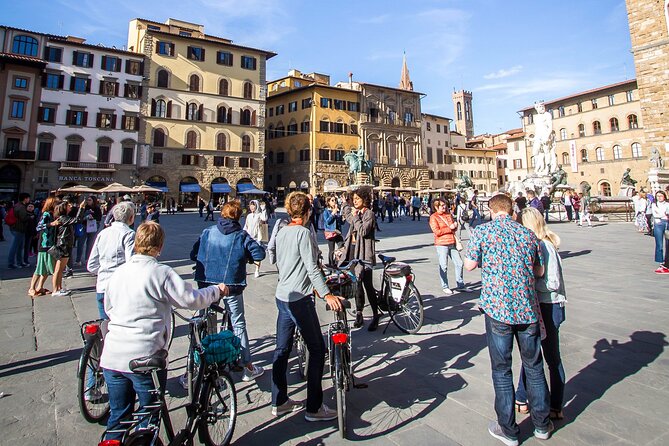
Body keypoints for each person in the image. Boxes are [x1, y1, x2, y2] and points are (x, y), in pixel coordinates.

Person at [100, 222, 229, 441]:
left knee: (118, 418)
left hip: (111, 357)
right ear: (159, 247)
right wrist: (216, 290)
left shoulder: (118, 272)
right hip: (145, 357)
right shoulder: (161, 272)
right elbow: (191, 300)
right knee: (149, 418)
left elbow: (108, 308)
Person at [464, 193, 552, 445]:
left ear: (491, 211)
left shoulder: (482, 232)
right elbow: (540, 270)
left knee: (502, 370)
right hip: (527, 308)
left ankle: (509, 430)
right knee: (534, 367)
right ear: (512, 211)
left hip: (498, 308)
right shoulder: (528, 234)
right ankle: (542, 426)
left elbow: (469, 265)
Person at [271, 191, 343, 422]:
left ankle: (279, 401)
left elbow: (280, 261)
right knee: (317, 349)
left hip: (282, 295)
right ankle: (314, 407)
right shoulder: (302, 233)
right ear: (308, 212)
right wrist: (327, 294)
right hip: (299, 300)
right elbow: (311, 267)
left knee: (282, 350)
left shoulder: (282, 231)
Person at [191, 200, 266, 381]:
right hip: (231, 285)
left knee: (204, 321)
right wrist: (245, 257)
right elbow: (259, 254)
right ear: (238, 216)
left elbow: (193, 254)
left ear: (222, 214)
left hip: (206, 284)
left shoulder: (207, 232)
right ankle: (246, 366)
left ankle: (199, 365)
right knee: (238, 322)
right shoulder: (241, 235)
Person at [516, 207, 567, 421]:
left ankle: (555, 405)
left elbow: (553, 283)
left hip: (549, 306)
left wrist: (529, 282)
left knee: (551, 358)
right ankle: (521, 397)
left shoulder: (545, 246)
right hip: (540, 305)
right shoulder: (538, 244)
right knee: (532, 353)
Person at [87, 202, 136, 319]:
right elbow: (131, 263)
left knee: (105, 326)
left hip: (102, 286)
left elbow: (91, 265)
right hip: (119, 289)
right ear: (131, 218)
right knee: (121, 326)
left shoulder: (102, 233)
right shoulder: (129, 234)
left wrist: (105, 270)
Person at [343, 187, 379, 330]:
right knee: (357, 285)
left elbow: (363, 230)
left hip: (364, 254)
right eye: (354, 199)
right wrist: (345, 202)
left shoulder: (369, 214)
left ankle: (375, 315)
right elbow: (347, 216)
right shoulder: (355, 212)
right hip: (353, 251)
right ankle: (359, 313)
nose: (355, 201)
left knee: (368, 286)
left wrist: (356, 216)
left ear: (365, 199)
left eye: (357, 198)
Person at [429, 198, 467, 295]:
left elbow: (453, 228)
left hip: (452, 242)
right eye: (442, 205)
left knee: (459, 263)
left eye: (445, 205)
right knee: (443, 266)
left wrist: (455, 225)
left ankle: (460, 284)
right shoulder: (434, 217)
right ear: (436, 207)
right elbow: (437, 232)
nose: (444, 207)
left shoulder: (448, 215)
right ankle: (445, 286)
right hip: (441, 244)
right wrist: (449, 228)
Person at [51, 199, 86, 297]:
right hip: (63, 245)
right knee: (58, 269)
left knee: (60, 269)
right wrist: (81, 208)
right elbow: (78, 220)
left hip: (65, 244)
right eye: (68, 206)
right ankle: (55, 289)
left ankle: (59, 288)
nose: (70, 207)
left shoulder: (63, 218)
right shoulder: (63, 218)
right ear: (63, 208)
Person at [28, 197, 60, 297]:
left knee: (47, 268)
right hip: (44, 245)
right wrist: (51, 224)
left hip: (52, 245)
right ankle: (32, 288)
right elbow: (39, 226)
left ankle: (40, 287)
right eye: (56, 204)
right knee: (40, 268)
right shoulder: (46, 214)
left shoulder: (54, 215)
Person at [243, 199, 268, 278]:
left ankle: (257, 270)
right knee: (245, 253)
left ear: (256, 206)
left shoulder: (260, 214)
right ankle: (244, 270)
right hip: (249, 237)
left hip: (258, 237)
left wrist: (263, 209)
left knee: (257, 254)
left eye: (253, 205)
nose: (252, 207)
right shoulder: (249, 216)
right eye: (251, 205)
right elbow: (246, 226)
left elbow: (264, 218)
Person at [75, 196, 102, 267]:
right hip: (84, 226)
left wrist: (93, 217)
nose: (88, 201)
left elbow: (99, 218)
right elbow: (79, 217)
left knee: (90, 244)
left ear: (94, 201)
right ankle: (78, 260)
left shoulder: (97, 208)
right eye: (88, 200)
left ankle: (87, 259)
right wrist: (85, 217)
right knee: (80, 243)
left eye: (90, 200)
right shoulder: (85, 207)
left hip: (92, 227)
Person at [7, 193, 32, 268]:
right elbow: (23, 218)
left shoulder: (18, 205)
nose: (29, 200)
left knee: (20, 246)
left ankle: (19, 262)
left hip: (17, 228)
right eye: (28, 198)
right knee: (15, 246)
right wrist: (30, 216)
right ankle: (11, 263)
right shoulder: (21, 207)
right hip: (18, 228)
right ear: (25, 199)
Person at [323, 195, 344, 266]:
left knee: (342, 246)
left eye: (335, 200)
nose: (334, 202)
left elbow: (341, 222)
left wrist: (342, 217)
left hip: (337, 232)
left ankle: (337, 262)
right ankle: (331, 265)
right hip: (330, 232)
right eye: (332, 200)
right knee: (331, 250)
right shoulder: (326, 211)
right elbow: (327, 222)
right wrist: (332, 213)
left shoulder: (337, 210)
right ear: (328, 202)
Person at [651, 191, 669, 273]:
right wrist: (663, 214)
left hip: (666, 223)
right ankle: (660, 262)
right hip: (658, 223)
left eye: (661, 196)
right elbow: (656, 214)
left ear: (664, 196)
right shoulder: (654, 204)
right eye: (657, 196)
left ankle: (667, 262)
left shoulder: (667, 204)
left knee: (668, 243)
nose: (659, 197)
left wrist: (663, 214)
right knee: (659, 244)